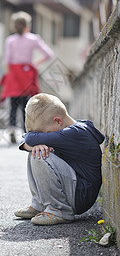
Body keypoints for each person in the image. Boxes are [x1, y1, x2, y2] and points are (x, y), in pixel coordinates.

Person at [14, 93, 105, 225]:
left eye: (44, 134)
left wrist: (34, 143)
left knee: (39, 154)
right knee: (36, 150)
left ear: (57, 121)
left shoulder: (73, 134)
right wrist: (35, 144)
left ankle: (59, 210)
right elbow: (28, 140)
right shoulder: (73, 127)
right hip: (76, 188)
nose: (43, 137)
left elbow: (29, 139)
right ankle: (39, 204)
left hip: (80, 195)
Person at [0, 11, 53, 143]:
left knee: (12, 104)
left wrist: (9, 74)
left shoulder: (10, 40)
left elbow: (7, 60)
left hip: (13, 72)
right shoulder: (33, 39)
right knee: (26, 104)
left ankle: (12, 128)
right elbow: (48, 54)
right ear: (27, 25)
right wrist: (35, 63)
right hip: (26, 72)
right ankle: (26, 131)